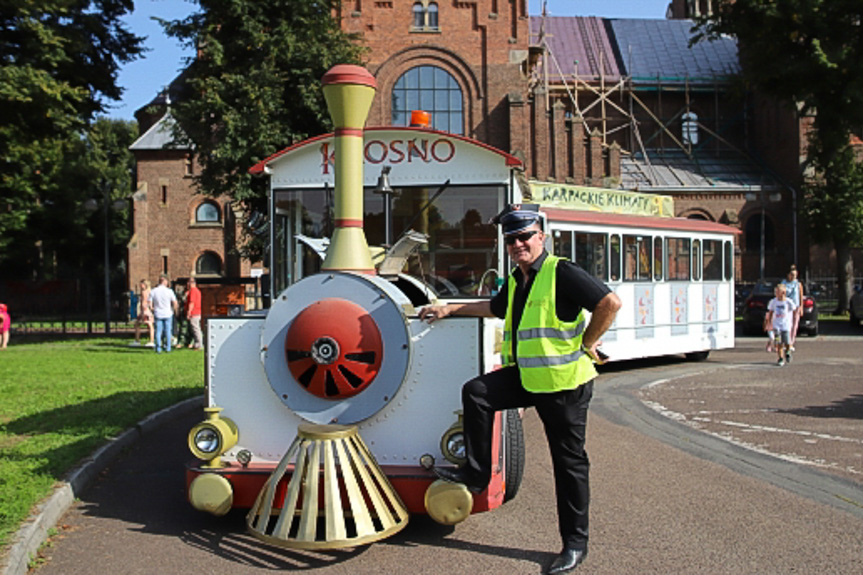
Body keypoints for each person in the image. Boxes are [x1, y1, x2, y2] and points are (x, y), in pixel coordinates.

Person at [418, 204, 621, 575]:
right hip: (529, 377)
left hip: (564, 385)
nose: (518, 244)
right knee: (477, 392)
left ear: (541, 235)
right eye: (511, 239)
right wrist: (449, 309)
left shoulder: (562, 271)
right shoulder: (517, 278)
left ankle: (575, 545)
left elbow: (609, 303)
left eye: (525, 236)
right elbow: (495, 307)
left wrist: (589, 342)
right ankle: (478, 473)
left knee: (568, 465)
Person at [765, 283, 796, 366]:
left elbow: (793, 310)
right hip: (777, 325)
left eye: (778, 292)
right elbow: (770, 312)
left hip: (785, 325)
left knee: (787, 342)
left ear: (783, 292)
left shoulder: (788, 302)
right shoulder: (773, 302)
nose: (776, 293)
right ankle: (780, 358)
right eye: (776, 292)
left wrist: (791, 321)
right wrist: (769, 322)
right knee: (778, 343)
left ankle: (788, 352)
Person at [149, 274, 178, 353]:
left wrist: (152, 309)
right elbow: (175, 302)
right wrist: (174, 310)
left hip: (158, 313)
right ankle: (168, 347)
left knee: (158, 331)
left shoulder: (153, 291)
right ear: (165, 281)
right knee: (168, 331)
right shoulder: (169, 291)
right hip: (168, 313)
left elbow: (150, 303)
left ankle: (158, 347)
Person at [781, 265, 803, 349]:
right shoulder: (784, 283)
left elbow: (800, 295)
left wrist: (801, 307)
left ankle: (791, 343)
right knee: (787, 325)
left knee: (794, 325)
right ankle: (785, 341)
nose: (794, 277)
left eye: (795, 275)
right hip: (787, 307)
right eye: (792, 275)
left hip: (796, 306)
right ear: (788, 275)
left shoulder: (798, 284)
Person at [131, 279, 155, 347]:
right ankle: (151, 340)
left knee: (138, 324)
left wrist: (143, 312)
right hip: (148, 310)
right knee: (149, 325)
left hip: (145, 311)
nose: (140, 286)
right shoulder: (150, 291)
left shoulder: (144, 292)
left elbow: (144, 302)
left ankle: (138, 340)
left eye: (141, 284)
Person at [185, 277, 203, 350]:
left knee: (195, 329)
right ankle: (197, 343)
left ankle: (199, 344)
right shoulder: (197, 291)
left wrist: (189, 312)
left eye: (188, 282)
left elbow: (191, 302)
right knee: (196, 328)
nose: (187, 284)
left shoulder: (193, 291)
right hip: (197, 312)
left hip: (194, 312)